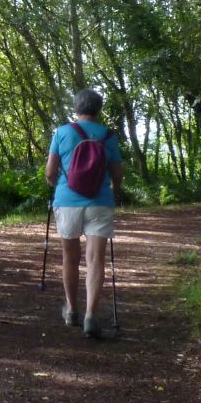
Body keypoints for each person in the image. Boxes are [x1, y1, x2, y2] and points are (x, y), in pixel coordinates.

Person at [45, 88, 123, 338]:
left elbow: (49, 172)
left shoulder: (61, 133)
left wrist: (57, 184)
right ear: (98, 109)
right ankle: (90, 315)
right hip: (100, 202)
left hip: (67, 201)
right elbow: (117, 175)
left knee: (70, 258)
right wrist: (112, 190)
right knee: (95, 259)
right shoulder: (108, 136)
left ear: (76, 108)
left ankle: (71, 310)